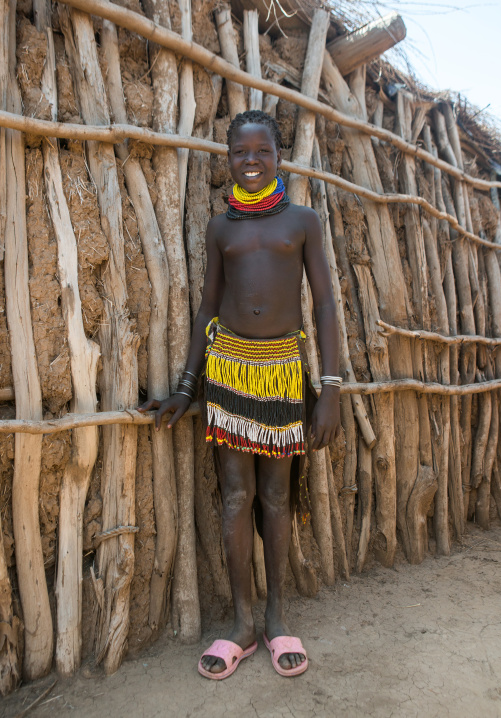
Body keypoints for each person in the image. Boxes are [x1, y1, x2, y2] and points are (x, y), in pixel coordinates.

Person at [138, 110, 341, 679]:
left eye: (262, 152)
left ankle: (278, 620)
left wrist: (331, 388)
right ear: (226, 159)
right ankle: (242, 625)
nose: (250, 162)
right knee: (234, 496)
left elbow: (324, 304)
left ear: (279, 158)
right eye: (240, 153)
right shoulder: (220, 226)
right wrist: (186, 386)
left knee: (275, 497)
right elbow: (207, 306)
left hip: (280, 374)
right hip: (227, 373)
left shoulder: (303, 221)